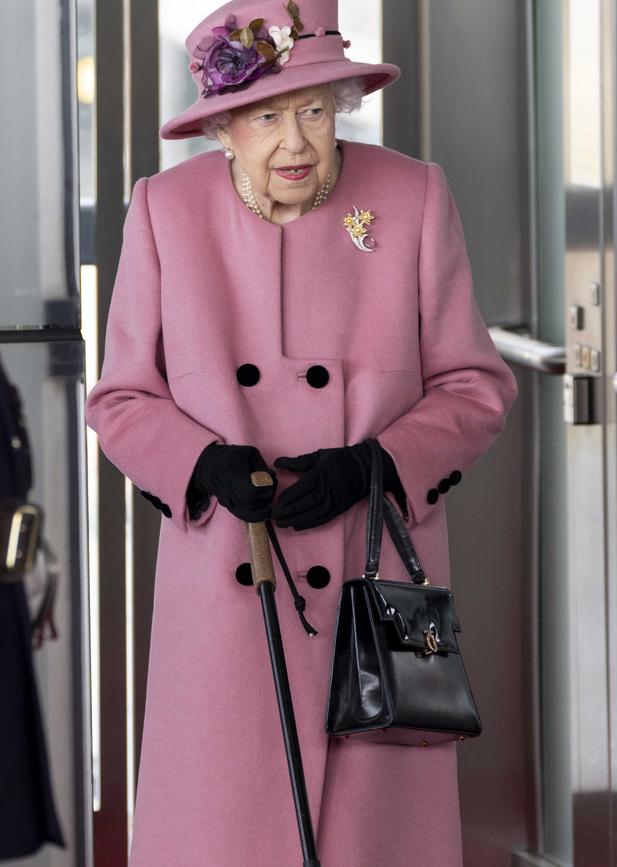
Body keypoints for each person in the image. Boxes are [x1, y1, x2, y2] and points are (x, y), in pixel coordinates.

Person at [84, 0, 519, 863]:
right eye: (269, 116)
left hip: (372, 592)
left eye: (315, 111)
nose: (296, 143)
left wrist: (380, 461)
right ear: (225, 128)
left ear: (342, 109)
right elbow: (122, 399)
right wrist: (200, 461)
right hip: (227, 598)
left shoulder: (411, 194)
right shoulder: (167, 212)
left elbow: (477, 384)